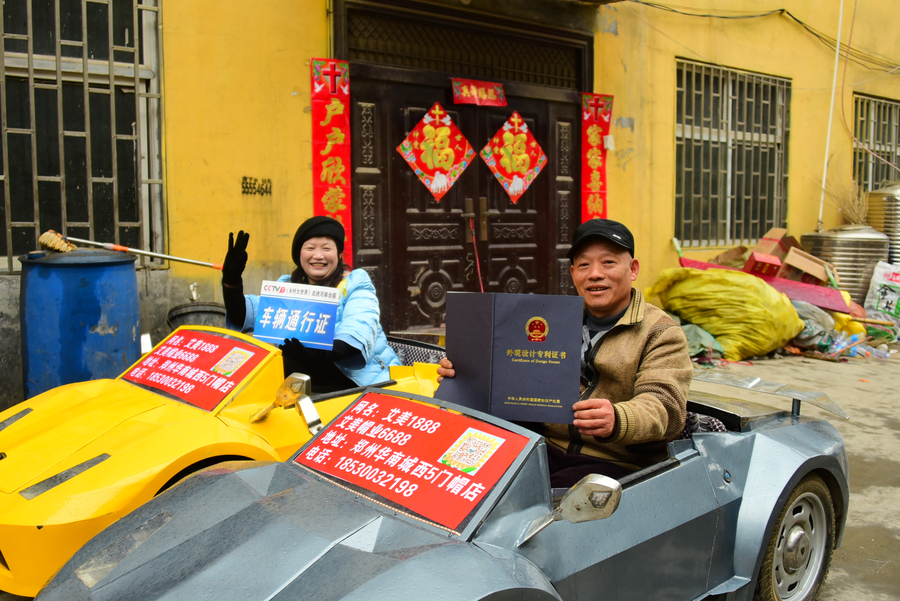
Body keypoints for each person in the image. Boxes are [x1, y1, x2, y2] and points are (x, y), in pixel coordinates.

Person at [438, 218, 693, 487]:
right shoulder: (554, 319)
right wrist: (467, 375)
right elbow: (512, 377)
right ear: (573, 274)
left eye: (608, 262)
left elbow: (665, 407)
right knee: (459, 476)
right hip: (542, 446)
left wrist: (618, 418)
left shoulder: (661, 332)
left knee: (534, 506)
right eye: (584, 265)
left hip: (613, 462)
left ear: (633, 269)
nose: (595, 274)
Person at [221, 216, 401, 392]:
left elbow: (355, 334)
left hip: (360, 381)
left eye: (326, 248)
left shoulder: (356, 283)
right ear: (299, 254)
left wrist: (313, 354)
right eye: (310, 248)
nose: (318, 255)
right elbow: (243, 314)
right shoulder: (287, 287)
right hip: (305, 378)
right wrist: (232, 281)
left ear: (339, 254)